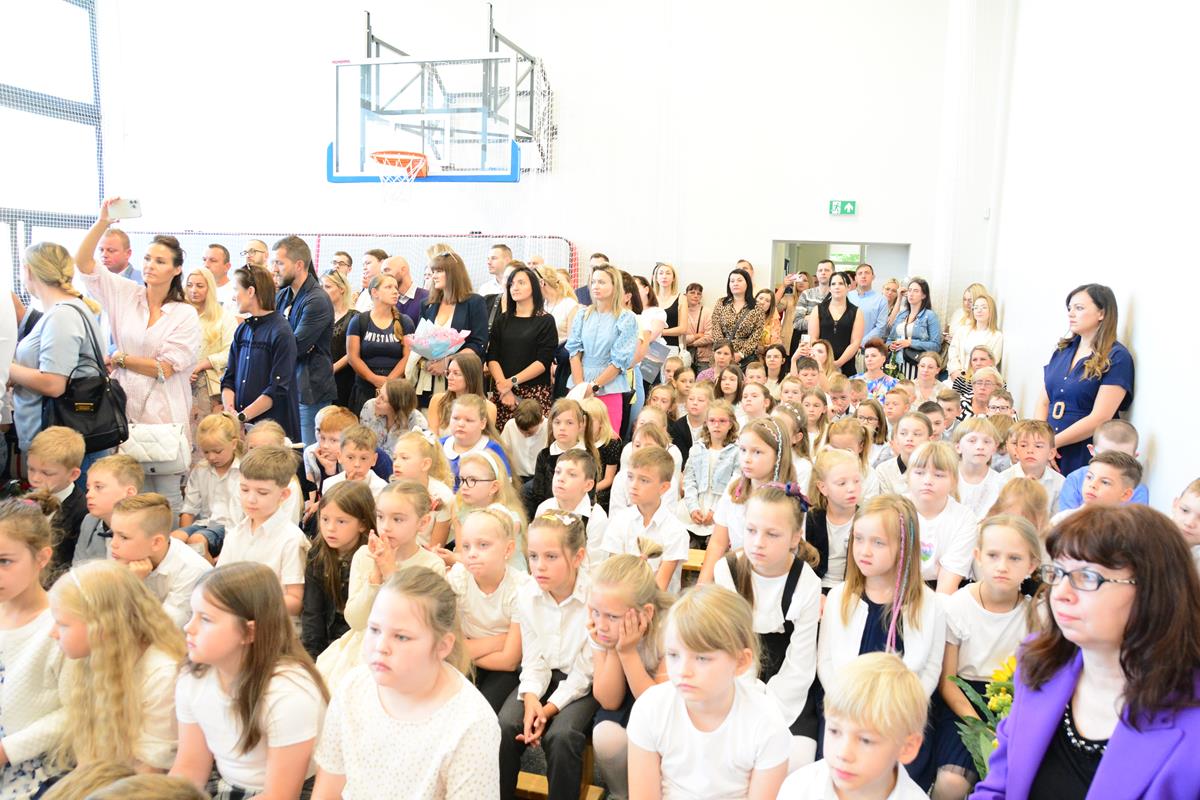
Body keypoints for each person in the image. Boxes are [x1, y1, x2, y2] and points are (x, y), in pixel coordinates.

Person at [974, 505, 1200, 798]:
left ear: (1154, 591)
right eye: (1058, 573)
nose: (1061, 594)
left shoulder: (1191, 721)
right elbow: (998, 787)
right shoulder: (1040, 664)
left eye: (1088, 577)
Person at [312, 566, 501, 799]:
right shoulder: (352, 688)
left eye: (401, 637)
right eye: (374, 629)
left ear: (442, 646)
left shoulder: (471, 724)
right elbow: (327, 791)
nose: (381, 646)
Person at [76, 204, 201, 507]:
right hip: (125, 412)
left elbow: (165, 368)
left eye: (160, 261)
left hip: (165, 415)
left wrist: (120, 358)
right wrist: (102, 222)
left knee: (166, 496)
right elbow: (83, 263)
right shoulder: (126, 294)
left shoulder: (184, 313)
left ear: (176, 269)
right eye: (147, 258)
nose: (150, 266)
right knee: (129, 493)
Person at [169, 563, 329, 798]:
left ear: (249, 632)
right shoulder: (193, 676)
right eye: (193, 614)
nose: (188, 627)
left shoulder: (289, 694)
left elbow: (280, 795)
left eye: (206, 619)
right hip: (226, 781)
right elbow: (190, 768)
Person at [627, 584, 792, 800]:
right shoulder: (650, 709)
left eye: (702, 658)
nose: (683, 671)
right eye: (673, 655)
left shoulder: (767, 723)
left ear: (741, 662)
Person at [716, 485, 823, 770]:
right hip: (734, 679)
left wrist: (768, 709)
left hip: (788, 687)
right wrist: (747, 699)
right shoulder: (727, 571)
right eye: (751, 530)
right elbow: (728, 646)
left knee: (796, 759)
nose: (758, 543)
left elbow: (801, 662)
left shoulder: (806, 583)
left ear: (795, 537)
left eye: (772, 534)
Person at [497, 511, 597, 800]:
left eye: (551, 557)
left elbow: (585, 673)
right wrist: (531, 700)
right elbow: (533, 659)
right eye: (533, 556)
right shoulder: (527, 593)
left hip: (584, 682)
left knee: (563, 736)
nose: (539, 566)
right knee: (505, 725)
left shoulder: (595, 596)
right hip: (543, 673)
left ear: (578, 557)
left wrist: (548, 710)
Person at [48, 559, 184, 772]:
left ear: (102, 627)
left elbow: (151, 772)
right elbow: (89, 755)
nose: (53, 633)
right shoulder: (95, 656)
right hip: (109, 778)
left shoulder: (162, 675)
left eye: (62, 624)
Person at [316, 481, 445, 686]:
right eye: (380, 517)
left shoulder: (431, 565)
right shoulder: (364, 555)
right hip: (363, 647)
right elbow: (356, 621)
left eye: (397, 519)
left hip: (406, 654)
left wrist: (391, 573)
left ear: (423, 522)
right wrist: (375, 576)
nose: (385, 526)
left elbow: (418, 623)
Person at [778, 652, 930, 800]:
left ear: (907, 747)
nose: (843, 753)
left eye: (865, 740)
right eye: (834, 731)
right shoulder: (798, 788)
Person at [588, 549, 674, 800]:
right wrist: (615, 648)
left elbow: (658, 707)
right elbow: (608, 700)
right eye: (595, 612)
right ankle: (620, 793)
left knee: (660, 745)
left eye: (612, 617)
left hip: (665, 700)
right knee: (605, 736)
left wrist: (627, 652)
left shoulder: (670, 628)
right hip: (624, 689)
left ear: (646, 612)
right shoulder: (600, 624)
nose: (601, 624)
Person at [0, 498, 70, 796]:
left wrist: (7, 750)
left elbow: (75, 712)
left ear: (41, 558)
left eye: (4, 561)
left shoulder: (63, 625)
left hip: (37, 773)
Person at [8, 244, 99, 460]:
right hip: (56, 439)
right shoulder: (66, 311)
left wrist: (7, 367)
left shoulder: (62, 316)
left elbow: (53, 384)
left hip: (59, 445)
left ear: (29, 271)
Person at [1037, 284, 1135, 474]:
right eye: (1069, 308)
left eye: (1079, 308)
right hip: (1048, 448)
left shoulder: (1117, 357)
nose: (1071, 314)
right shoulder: (1063, 350)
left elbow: (1100, 417)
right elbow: (1043, 401)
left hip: (1083, 451)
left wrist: (1052, 444)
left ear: (1101, 313)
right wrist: (1041, 443)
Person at [447, 508, 530, 712]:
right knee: (451, 704)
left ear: (508, 550)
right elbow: (451, 648)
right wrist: (500, 640)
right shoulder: (458, 578)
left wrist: (466, 649)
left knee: (485, 708)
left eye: (483, 545)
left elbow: (509, 661)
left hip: (505, 671)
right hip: (474, 660)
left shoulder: (520, 588)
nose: (472, 553)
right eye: (466, 546)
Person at [218, 445, 310, 617]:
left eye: (262, 492)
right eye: (244, 489)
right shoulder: (236, 534)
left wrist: (251, 607)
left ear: (284, 495)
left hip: (274, 622)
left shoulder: (291, 539)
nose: (251, 499)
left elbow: (296, 601)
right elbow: (219, 583)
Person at [221, 265, 300, 441]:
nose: (234, 296)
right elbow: (229, 378)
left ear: (250, 291)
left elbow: (277, 389)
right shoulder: (243, 330)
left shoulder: (281, 332)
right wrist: (230, 410)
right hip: (242, 427)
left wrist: (242, 416)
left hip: (271, 430)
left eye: (236, 289)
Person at [110, 493, 213, 627]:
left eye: (123, 537)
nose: (113, 544)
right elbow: (101, 616)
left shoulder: (192, 570)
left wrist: (134, 586)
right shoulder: (126, 556)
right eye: (113, 534)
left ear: (156, 542)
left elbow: (164, 630)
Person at [272, 236, 335, 447]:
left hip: (309, 392)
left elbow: (295, 346)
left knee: (310, 454)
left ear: (299, 265)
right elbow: (271, 336)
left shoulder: (317, 300)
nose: (275, 269)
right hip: (286, 387)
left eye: (280, 263)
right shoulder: (282, 296)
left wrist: (280, 342)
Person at [301, 481, 373, 659]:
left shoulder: (371, 557)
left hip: (361, 645)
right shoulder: (317, 553)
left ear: (363, 524)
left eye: (341, 521)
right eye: (325, 519)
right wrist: (311, 658)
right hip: (326, 644)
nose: (330, 528)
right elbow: (312, 612)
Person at [603, 446, 689, 593]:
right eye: (630, 477)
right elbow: (613, 575)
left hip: (658, 603)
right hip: (620, 598)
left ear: (664, 488)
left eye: (644, 480)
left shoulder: (675, 531)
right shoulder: (620, 521)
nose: (633, 485)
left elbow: (660, 588)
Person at [566, 265, 639, 433]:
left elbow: (619, 361)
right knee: (575, 436)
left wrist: (593, 387)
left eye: (601, 282)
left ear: (615, 286)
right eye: (593, 282)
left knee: (606, 438)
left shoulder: (626, 318)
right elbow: (574, 352)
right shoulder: (582, 314)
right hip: (579, 382)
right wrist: (581, 387)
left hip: (609, 386)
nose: (595, 286)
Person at [486, 264, 559, 430]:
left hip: (534, 393)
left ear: (534, 287)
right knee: (503, 439)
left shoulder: (545, 320)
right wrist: (504, 388)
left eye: (521, 283)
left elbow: (543, 361)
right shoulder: (502, 320)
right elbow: (492, 357)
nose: (515, 287)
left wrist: (511, 382)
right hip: (503, 393)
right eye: (512, 284)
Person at [415, 251, 489, 404]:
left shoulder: (474, 302)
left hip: (462, 382)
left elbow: (478, 344)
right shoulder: (427, 304)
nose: (434, 276)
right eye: (433, 271)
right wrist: (425, 363)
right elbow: (419, 342)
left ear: (453, 273)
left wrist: (447, 362)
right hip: (428, 380)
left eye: (439, 271)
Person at [906, 442, 978, 595]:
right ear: (908, 477)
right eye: (919, 473)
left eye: (938, 475)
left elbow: (948, 582)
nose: (927, 481)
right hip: (899, 586)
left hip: (943, 591)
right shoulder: (894, 510)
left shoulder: (964, 518)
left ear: (954, 481)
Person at [347, 274, 413, 417]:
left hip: (395, 390)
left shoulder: (405, 321)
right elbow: (353, 357)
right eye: (389, 287)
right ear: (374, 292)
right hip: (365, 387)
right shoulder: (359, 321)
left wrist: (389, 382)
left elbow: (408, 356)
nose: (395, 291)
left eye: (396, 287)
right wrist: (373, 379)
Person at [25, 427, 88, 573]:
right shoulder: (28, 498)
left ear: (73, 475)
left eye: (47, 473)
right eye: (31, 469)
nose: (35, 478)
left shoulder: (82, 512)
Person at [184, 267, 238, 430]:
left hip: (208, 390)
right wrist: (183, 370)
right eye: (189, 285)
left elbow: (231, 352)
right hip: (178, 383)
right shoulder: (177, 316)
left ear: (210, 288)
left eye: (200, 286)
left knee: (206, 434)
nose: (193, 290)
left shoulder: (224, 317)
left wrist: (201, 364)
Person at [1057, 419, 1148, 512]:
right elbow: (1067, 517)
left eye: (1122, 459)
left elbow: (1136, 520)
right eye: (1104, 457)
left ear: (1134, 457)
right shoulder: (1075, 479)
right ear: (1092, 450)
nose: (1111, 464)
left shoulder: (1137, 490)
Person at [71, 454, 143, 564]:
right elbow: (77, 567)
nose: (88, 495)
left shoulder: (144, 529)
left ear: (129, 493)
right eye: (88, 488)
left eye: (99, 487)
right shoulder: (90, 521)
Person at [1000, 419, 1065, 515]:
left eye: (1038, 446)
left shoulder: (1060, 483)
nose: (1030, 450)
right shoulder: (1003, 480)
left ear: (1051, 453)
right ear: (1016, 451)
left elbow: (1058, 519)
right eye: (1023, 445)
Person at [808, 270, 864, 377]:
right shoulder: (818, 309)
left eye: (841, 283)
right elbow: (813, 338)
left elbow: (855, 343)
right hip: (821, 364)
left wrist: (838, 363)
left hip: (846, 365)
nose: (837, 287)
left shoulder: (856, 312)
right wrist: (823, 360)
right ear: (829, 288)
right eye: (833, 284)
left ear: (848, 287)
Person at [536, 265, 580, 398]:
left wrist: (555, 364)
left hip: (563, 364)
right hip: (543, 362)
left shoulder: (569, 305)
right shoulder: (541, 306)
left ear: (542, 283)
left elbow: (572, 342)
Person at [709, 268, 766, 368]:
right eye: (732, 281)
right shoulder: (721, 303)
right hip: (722, 355)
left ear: (747, 283)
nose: (735, 283)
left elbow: (756, 334)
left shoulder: (757, 307)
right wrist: (724, 351)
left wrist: (741, 354)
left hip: (746, 358)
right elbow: (715, 326)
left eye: (739, 280)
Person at [887, 278, 942, 379]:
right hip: (896, 363)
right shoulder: (902, 315)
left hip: (916, 364)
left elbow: (936, 345)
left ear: (924, 295)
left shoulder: (930, 315)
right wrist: (891, 345)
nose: (911, 294)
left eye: (916, 291)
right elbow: (890, 339)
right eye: (910, 290)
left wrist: (910, 342)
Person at [946, 293, 1003, 386]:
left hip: (980, 381)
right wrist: (955, 371)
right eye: (976, 307)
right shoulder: (962, 330)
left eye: (984, 307)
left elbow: (992, 362)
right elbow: (953, 353)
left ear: (991, 311)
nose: (979, 310)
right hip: (957, 376)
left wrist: (972, 378)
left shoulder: (997, 336)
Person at [321, 269, 358, 409]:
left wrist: (334, 368)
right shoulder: (320, 315)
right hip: (321, 376)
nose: (323, 291)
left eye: (327, 286)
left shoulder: (355, 317)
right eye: (321, 286)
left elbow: (353, 351)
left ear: (341, 289)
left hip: (344, 377)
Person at [847, 263, 892, 345]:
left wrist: (860, 343)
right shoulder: (847, 296)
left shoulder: (881, 300)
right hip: (845, 344)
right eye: (860, 273)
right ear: (855, 278)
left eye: (867, 273)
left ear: (873, 277)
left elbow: (880, 327)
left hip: (867, 347)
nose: (863, 276)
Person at [791, 259, 833, 343]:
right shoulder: (806, 294)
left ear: (833, 273)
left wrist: (810, 318)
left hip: (830, 343)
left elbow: (838, 324)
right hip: (808, 343)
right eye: (820, 270)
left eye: (826, 270)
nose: (823, 273)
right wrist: (824, 320)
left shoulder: (837, 295)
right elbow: (797, 323)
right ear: (817, 273)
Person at [382, 255, 429, 324]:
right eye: (382, 273)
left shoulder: (428, 297)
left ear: (403, 270)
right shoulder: (385, 301)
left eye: (387, 270)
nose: (383, 276)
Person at [852, 338, 899, 403]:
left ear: (883, 359)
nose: (869, 359)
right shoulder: (853, 381)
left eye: (873, 356)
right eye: (866, 356)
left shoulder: (894, 384)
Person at [203, 243, 238, 313]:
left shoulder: (236, 292)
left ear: (227, 267)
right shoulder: (196, 290)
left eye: (213, 260)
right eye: (204, 260)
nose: (206, 265)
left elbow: (239, 319)